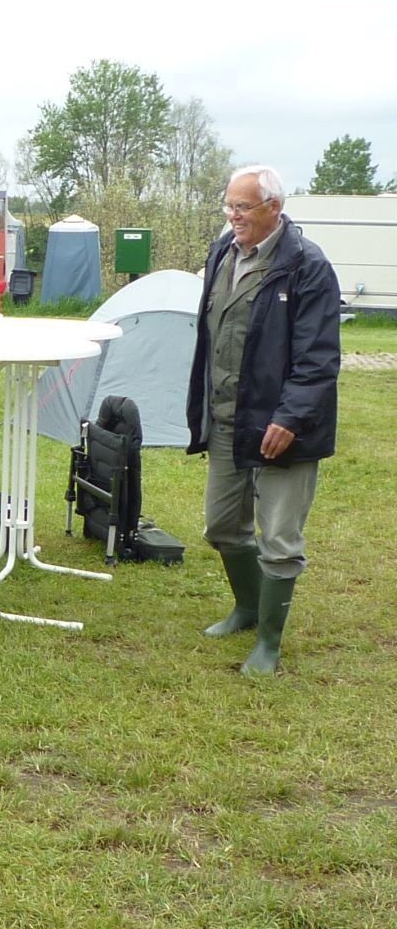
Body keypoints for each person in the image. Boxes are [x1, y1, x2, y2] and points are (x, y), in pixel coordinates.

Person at [186, 164, 341, 676]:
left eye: (243, 206)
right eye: (228, 205)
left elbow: (318, 358)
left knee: (278, 539)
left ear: (274, 207)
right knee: (223, 525)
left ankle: (269, 644)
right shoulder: (223, 253)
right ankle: (248, 608)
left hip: (283, 429)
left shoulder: (307, 266)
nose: (233, 215)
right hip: (228, 419)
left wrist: (290, 418)